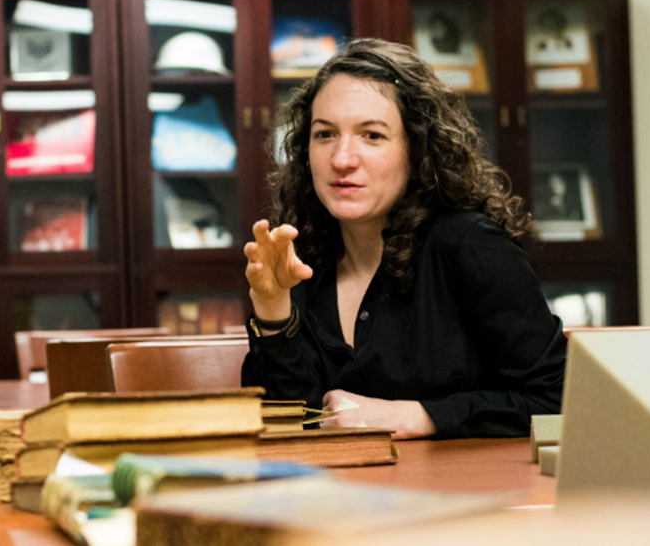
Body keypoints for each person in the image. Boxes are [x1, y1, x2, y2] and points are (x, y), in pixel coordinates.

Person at [240, 38, 565, 440]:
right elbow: (289, 425)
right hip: (333, 497)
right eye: (324, 134)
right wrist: (272, 311)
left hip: (466, 495)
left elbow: (558, 400)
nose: (342, 159)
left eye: (372, 136)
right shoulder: (298, 254)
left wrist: (420, 416)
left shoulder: (471, 246)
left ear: (417, 148)